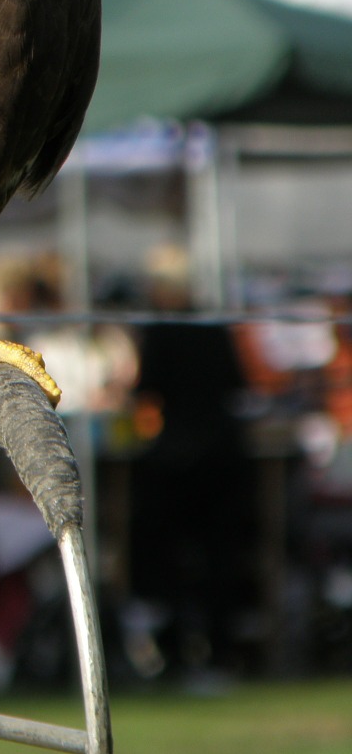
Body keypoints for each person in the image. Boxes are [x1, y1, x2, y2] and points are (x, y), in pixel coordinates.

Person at [129, 245, 253, 681]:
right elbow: (237, 384)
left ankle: (179, 651)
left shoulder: (163, 330)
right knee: (221, 557)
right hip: (223, 455)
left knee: (173, 557)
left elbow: (146, 390)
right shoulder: (211, 326)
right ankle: (221, 652)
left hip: (178, 462)